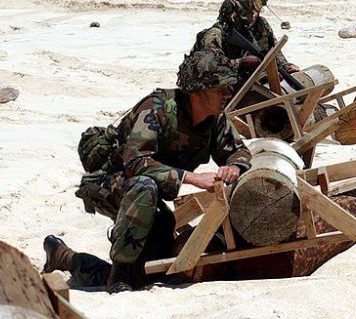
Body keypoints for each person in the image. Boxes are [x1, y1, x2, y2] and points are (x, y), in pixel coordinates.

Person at [44, 49, 252, 293]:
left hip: (148, 197)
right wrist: (191, 178)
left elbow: (239, 151)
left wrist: (234, 166)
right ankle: (118, 277)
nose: (228, 94)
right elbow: (135, 161)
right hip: (112, 183)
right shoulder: (158, 107)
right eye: (221, 88)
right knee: (145, 188)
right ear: (198, 90)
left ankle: (63, 256)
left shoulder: (214, 119)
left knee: (148, 272)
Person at [193, 0, 299, 88]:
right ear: (238, 14)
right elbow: (205, 66)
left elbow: (270, 50)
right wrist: (241, 62)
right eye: (251, 12)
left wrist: (284, 66)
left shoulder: (246, 30)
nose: (255, 16)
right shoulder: (214, 35)